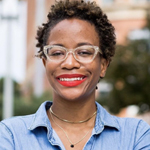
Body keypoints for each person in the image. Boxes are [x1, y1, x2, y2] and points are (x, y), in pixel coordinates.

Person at [0, 0, 150, 149]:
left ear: (103, 65)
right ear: (45, 64)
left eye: (84, 52)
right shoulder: (10, 135)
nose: (70, 63)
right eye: (57, 53)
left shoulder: (136, 135)